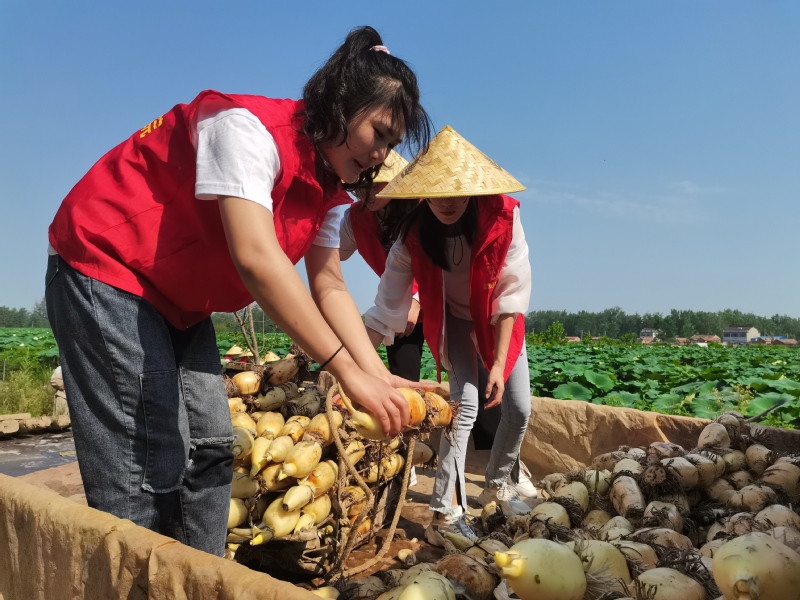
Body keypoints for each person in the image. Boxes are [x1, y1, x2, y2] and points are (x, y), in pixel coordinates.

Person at [44, 26, 432, 556]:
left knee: (211, 449)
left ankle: (202, 578)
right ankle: (137, 581)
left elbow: (329, 283)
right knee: (145, 466)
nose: (382, 155)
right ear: (343, 101)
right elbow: (257, 259)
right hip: (107, 268)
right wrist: (345, 371)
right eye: (379, 134)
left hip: (181, 302)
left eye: (392, 144)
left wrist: (376, 373)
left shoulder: (329, 188)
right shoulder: (247, 130)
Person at [364, 125, 533, 544]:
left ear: (474, 189)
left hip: (497, 319)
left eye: (457, 191)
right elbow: (387, 306)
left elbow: (511, 293)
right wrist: (355, 370)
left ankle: (498, 484)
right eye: (436, 192)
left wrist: (497, 364)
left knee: (519, 407)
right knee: (465, 404)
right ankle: (445, 513)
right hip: (454, 320)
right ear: (422, 192)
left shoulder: (503, 218)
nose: (447, 201)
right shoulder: (413, 235)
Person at [339, 150, 424, 382]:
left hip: (444, 301)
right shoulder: (354, 219)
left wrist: (417, 300)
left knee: (466, 373)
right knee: (404, 376)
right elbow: (335, 253)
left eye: (375, 185)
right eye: (361, 186)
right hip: (395, 305)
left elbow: (448, 264)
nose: (367, 194)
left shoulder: (426, 208)